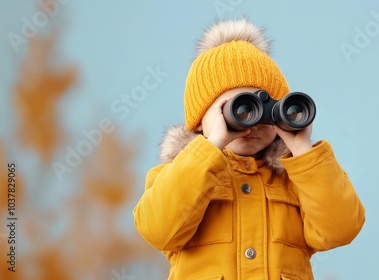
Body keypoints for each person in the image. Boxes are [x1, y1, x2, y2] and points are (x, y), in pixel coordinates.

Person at [133, 18, 365, 280]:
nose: (251, 123)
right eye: (239, 109)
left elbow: (341, 229)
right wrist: (209, 150)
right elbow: (156, 229)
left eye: (263, 110)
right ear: (199, 122)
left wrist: (303, 150)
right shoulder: (176, 175)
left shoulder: (296, 180)